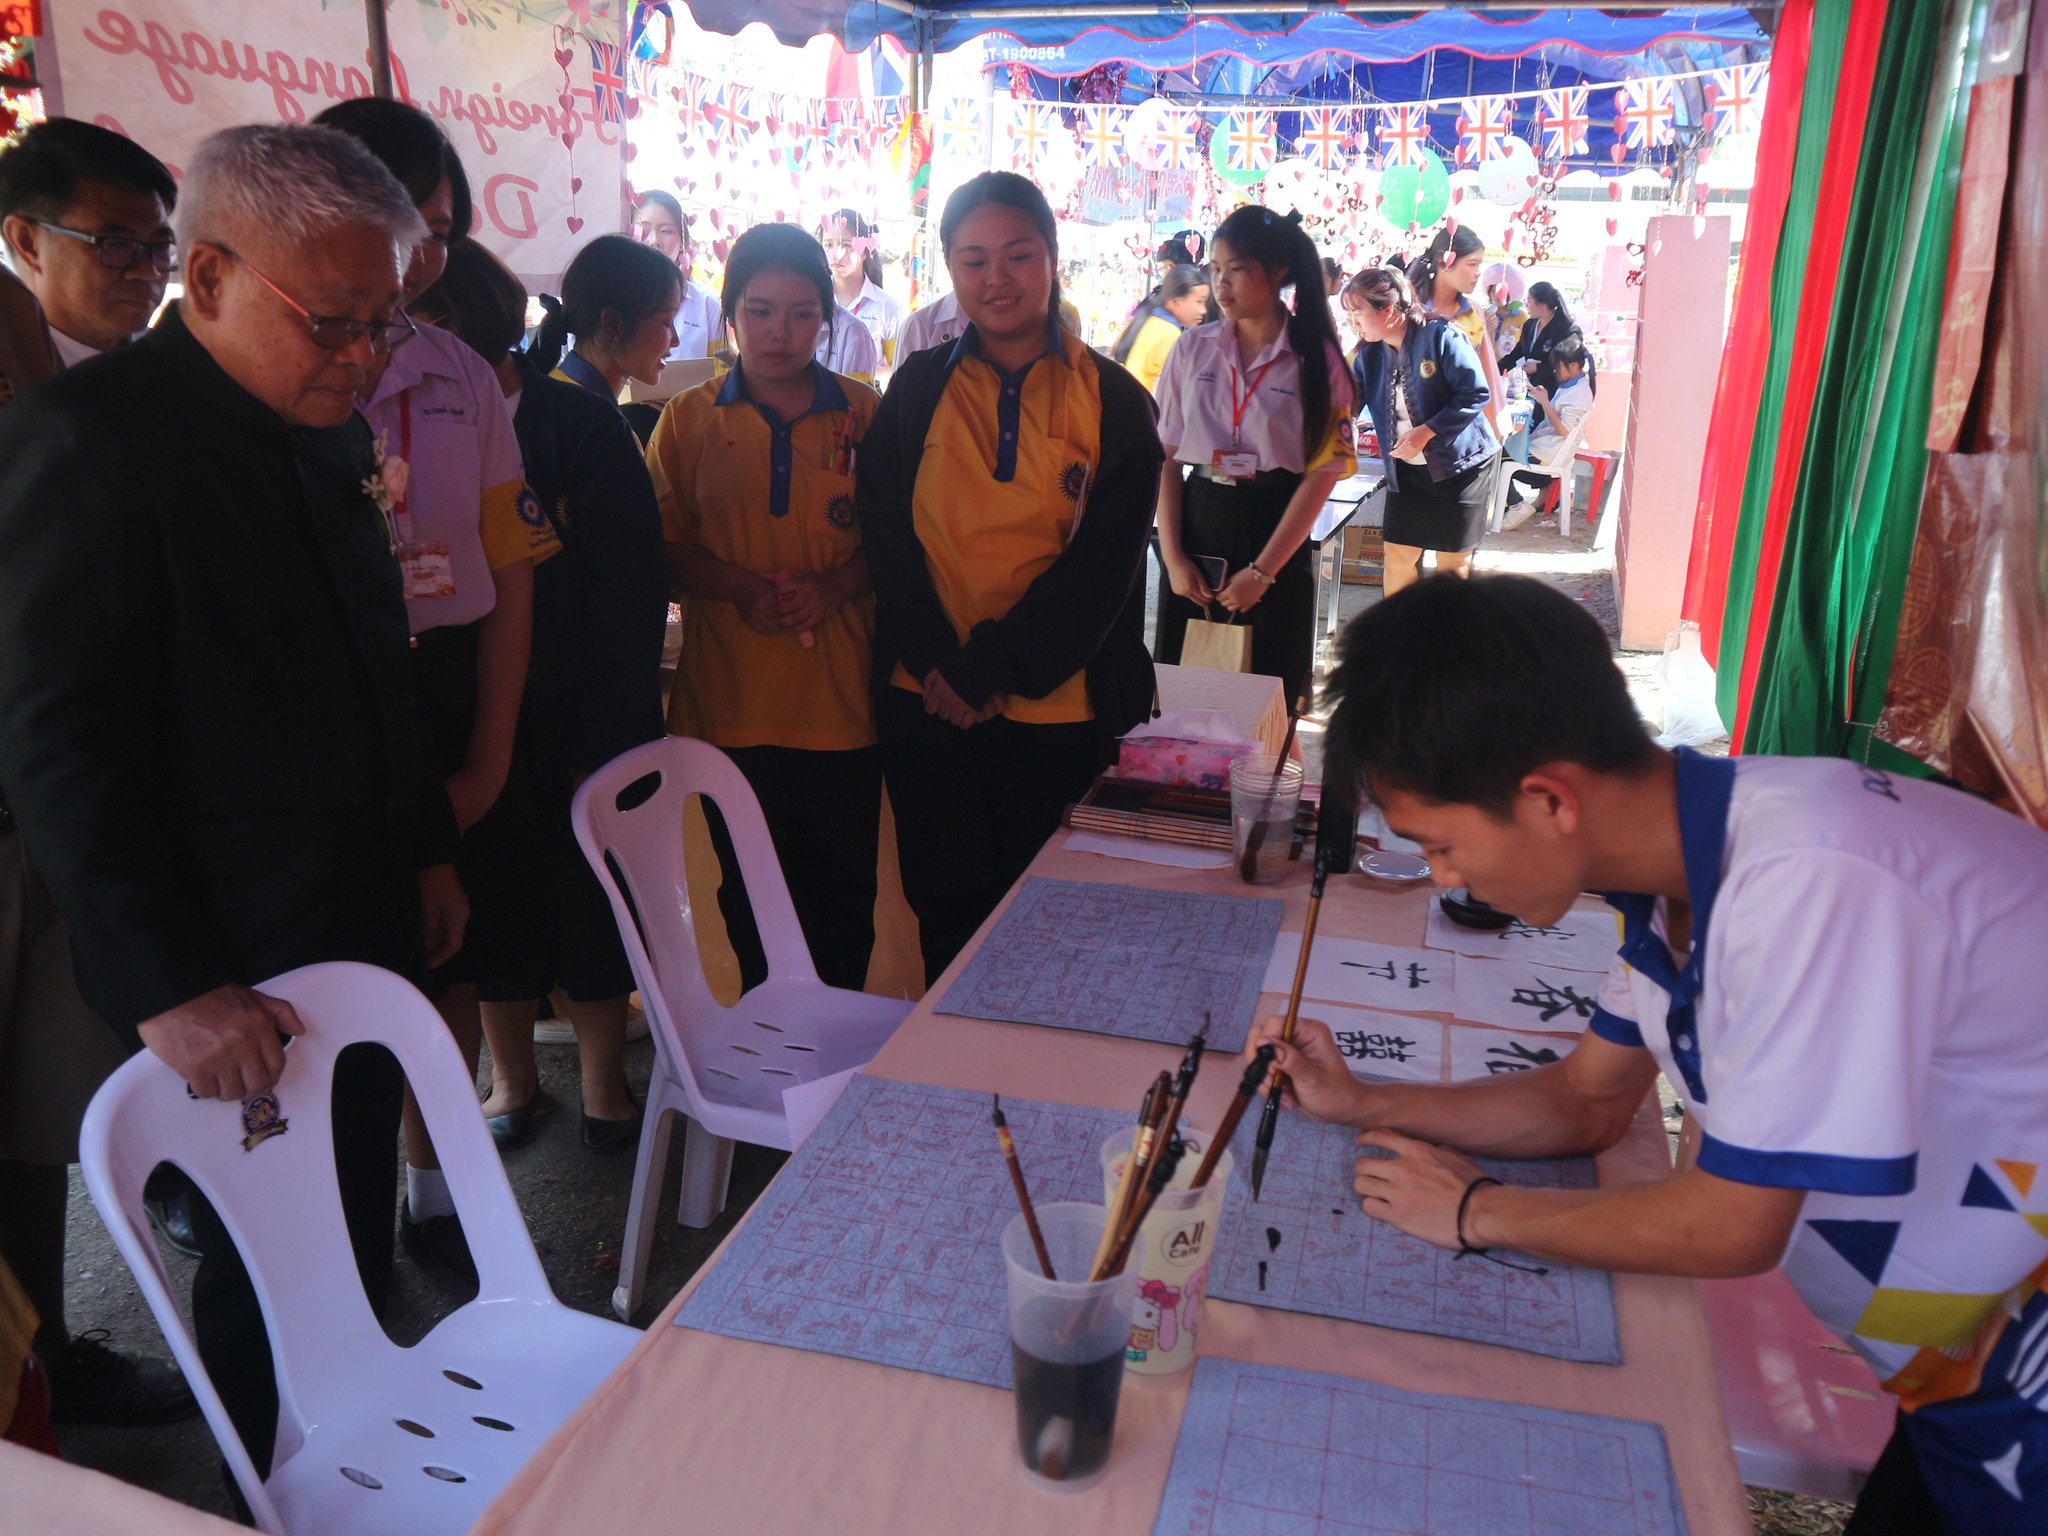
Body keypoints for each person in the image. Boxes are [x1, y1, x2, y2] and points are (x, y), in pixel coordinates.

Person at [1254, 572, 2048, 1536]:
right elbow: (1584, 1104)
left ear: (1549, 799)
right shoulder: (1686, 866)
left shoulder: (1807, 884)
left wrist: (1476, 1211)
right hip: (1957, 1373)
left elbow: (1732, 1226)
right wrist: (1362, 1101)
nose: (1442, 877)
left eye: (1442, 846)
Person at [0, 121, 465, 1477]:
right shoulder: (86, 444)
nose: (364, 357)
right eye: (333, 322)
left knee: (350, 1222)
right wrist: (168, 986)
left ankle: (354, 1463)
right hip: (224, 950)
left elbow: (378, 665)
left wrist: (425, 849)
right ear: (206, 279)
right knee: (264, 1262)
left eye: (383, 322)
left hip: (355, 910)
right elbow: (57, 748)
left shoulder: (320, 429)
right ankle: (273, 1491)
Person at [317, 96, 560, 1282]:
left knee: (453, 954)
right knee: (335, 975)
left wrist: (493, 752)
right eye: (396, 222)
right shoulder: (281, 378)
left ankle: (433, 1187)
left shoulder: (462, 371)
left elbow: (510, 574)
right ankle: (329, 1230)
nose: (419, 257)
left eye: (440, 232)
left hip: (453, 692)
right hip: (322, 706)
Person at [0, 117, 194, 1427]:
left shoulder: (164, 391)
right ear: (25, 240)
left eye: (156, 246)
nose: (142, 271)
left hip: (76, 816)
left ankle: (43, 1357)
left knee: (36, 1107)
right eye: (113, 243)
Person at [859, 172, 1163, 985]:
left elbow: (1101, 573)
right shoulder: (917, 388)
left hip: (1059, 715)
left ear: (1053, 258)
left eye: (1017, 255)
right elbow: (886, 538)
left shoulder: (1116, 401)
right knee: (947, 918)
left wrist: (987, 667)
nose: (995, 278)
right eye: (973, 260)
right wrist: (940, 663)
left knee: (1056, 931)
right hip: (929, 705)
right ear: (951, 269)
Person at [412, 239, 667, 1153]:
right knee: (492, 906)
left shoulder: (581, 426)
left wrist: (601, 736)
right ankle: (511, 1079)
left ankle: (602, 1082)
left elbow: (633, 593)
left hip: (584, 717)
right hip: (472, 721)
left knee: (593, 898)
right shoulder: (404, 425)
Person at [650, 224, 883, 995]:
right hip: (728, 706)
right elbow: (660, 546)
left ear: (827, 319)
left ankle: (838, 1057)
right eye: (759, 311)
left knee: (842, 903)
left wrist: (834, 586)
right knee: (746, 902)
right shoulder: (687, 420)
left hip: (841, 705)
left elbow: (904, 544)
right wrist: (736, 586)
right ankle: (768, 1048)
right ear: (730, 315)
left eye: (801, 313)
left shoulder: (865, 415)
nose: (779, 332)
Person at [1152, 205, 1357, 709]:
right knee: (1187, 697)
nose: (1220, 283)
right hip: (1199, 523)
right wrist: (1173, 558)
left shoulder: (1320, 362)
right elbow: (1166, 460)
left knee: (1269, 701)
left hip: (1277, 527)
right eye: (1215, 269)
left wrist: (1263, 573)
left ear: (1278, 271)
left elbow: (1323, 474)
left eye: (1237, 269)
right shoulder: (1191, 350)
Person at [1344, 266, 1497, 595]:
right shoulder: (1368, 354)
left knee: (1453, 565)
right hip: (1406, 472)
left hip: (1461, 467)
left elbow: (1475, 393)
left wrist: (1427, 431)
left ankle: (1446, 629)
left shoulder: (1441, 335)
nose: (1353, 322)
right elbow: (1346, 403)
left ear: (1387, 310)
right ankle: (1400, 626)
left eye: (1358, 312)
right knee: (1398, 556)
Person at [1408, 223, 1505, 433]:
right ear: (1444, 260)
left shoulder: (1473, 312)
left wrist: (1495, 427)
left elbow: (1486, 374)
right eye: (1471, 264)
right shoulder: (1411, 310)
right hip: (1413, 428)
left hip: (1463, 429)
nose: (1478, 273)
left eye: (1479, 265)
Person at [1506, 334, 1594, 517]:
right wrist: (1544, 397)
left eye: (1558, 367)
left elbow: (1562, 429)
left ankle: (1516, 505)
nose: (1555, 371)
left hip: (1548, 453)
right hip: (1545, 447)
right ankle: (1527, 500)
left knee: (1496, 458)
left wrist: (1545, 402)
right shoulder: (1571, 386)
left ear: (1573, 366)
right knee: (1501, 452)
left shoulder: (1579, 393)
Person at [632, 189, 720, 360]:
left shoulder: (707, 305)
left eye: (666, 231)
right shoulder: (612, 297)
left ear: (682, 240)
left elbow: (719, 368)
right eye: (643, 229)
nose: (654, 241)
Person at [818, 208, 904, 365]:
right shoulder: (813, 302)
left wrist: (865, 375)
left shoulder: (888, 309)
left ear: (864, 251)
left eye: (845, 245)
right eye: (828, 245)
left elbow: (899, 369)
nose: (836, 254)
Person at [1109, 262, 1209, 394]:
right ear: (1175, 301)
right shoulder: (1168, 331)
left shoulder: (1146, 314)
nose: (1203, 310)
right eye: (1199, 302)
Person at [1505, 279, 1594, 398]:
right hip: (1533, 391)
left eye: (1530, 301)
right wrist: (1495, 369)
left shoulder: (1567, 329)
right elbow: (1516, 353)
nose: (1526, 304)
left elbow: (1572, 364)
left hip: (1557, 394)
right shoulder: (1529, 325)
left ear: (1542, 305)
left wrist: (1538, 368)